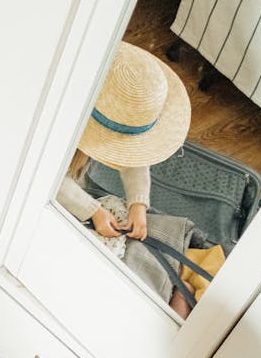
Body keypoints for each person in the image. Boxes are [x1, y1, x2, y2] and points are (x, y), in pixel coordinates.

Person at [57, 41, 191, 242]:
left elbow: (131, 153)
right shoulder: (56, 123)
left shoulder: (109, 97)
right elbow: (44, 176)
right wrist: (92, 210)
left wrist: (138, 204)